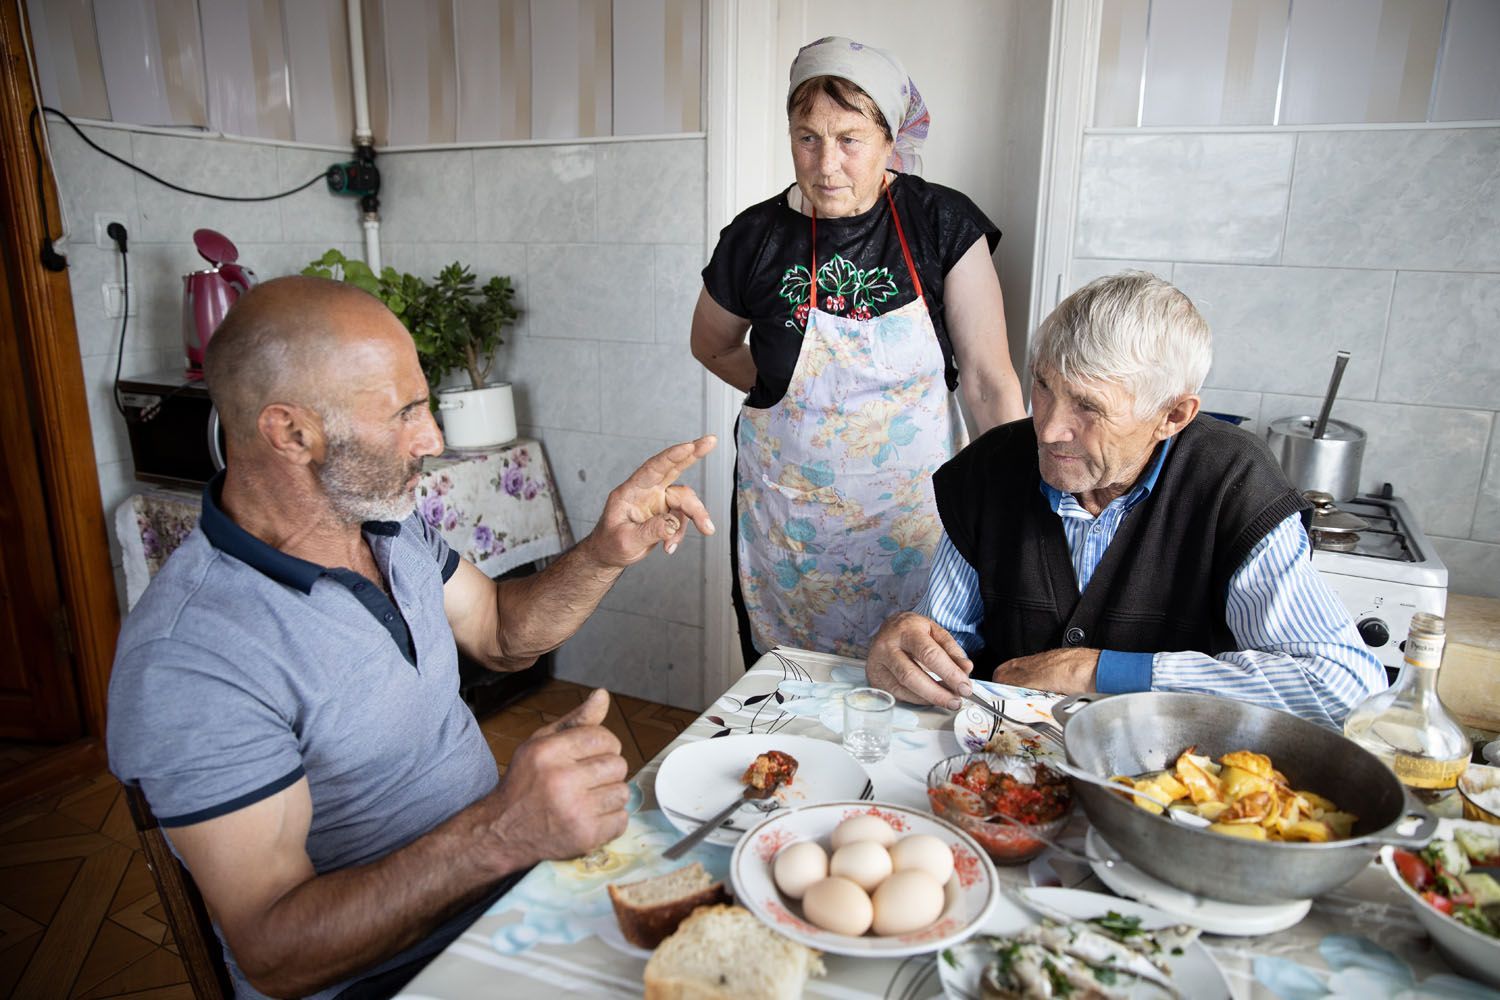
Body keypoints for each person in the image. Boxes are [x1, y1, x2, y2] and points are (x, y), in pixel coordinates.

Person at [106, 276, 716, 999]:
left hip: (505, 897)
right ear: (290, 431)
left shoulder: (387, 527)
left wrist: (605, 551)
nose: (433, 439)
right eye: (405, 412)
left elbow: (499, 633)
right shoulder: (193, 658)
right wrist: (505, 829)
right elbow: (275, 951)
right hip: (395, 977)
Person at [865, 272, 1386, 730]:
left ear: (1173, 416)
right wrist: (908, 648)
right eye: (1044, 385)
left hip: (1173, 784)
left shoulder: (1232, 483)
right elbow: (945, 645)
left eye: (1089, 407)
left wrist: (1097, 670)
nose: (1047, 429)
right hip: (1006, 775)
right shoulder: (990, 470)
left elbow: (1343, 688)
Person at [691, 35, 1026, 663]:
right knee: (795, 690)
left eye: (849, 139)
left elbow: (987, 383)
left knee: (917, 680)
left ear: (889, 140)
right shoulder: (753, 239)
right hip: (792, 529)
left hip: (913, 521)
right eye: (806, 137)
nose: (825, 164)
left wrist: (1016, 507)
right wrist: (780, 392)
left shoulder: (941, 223)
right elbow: (711, 346)